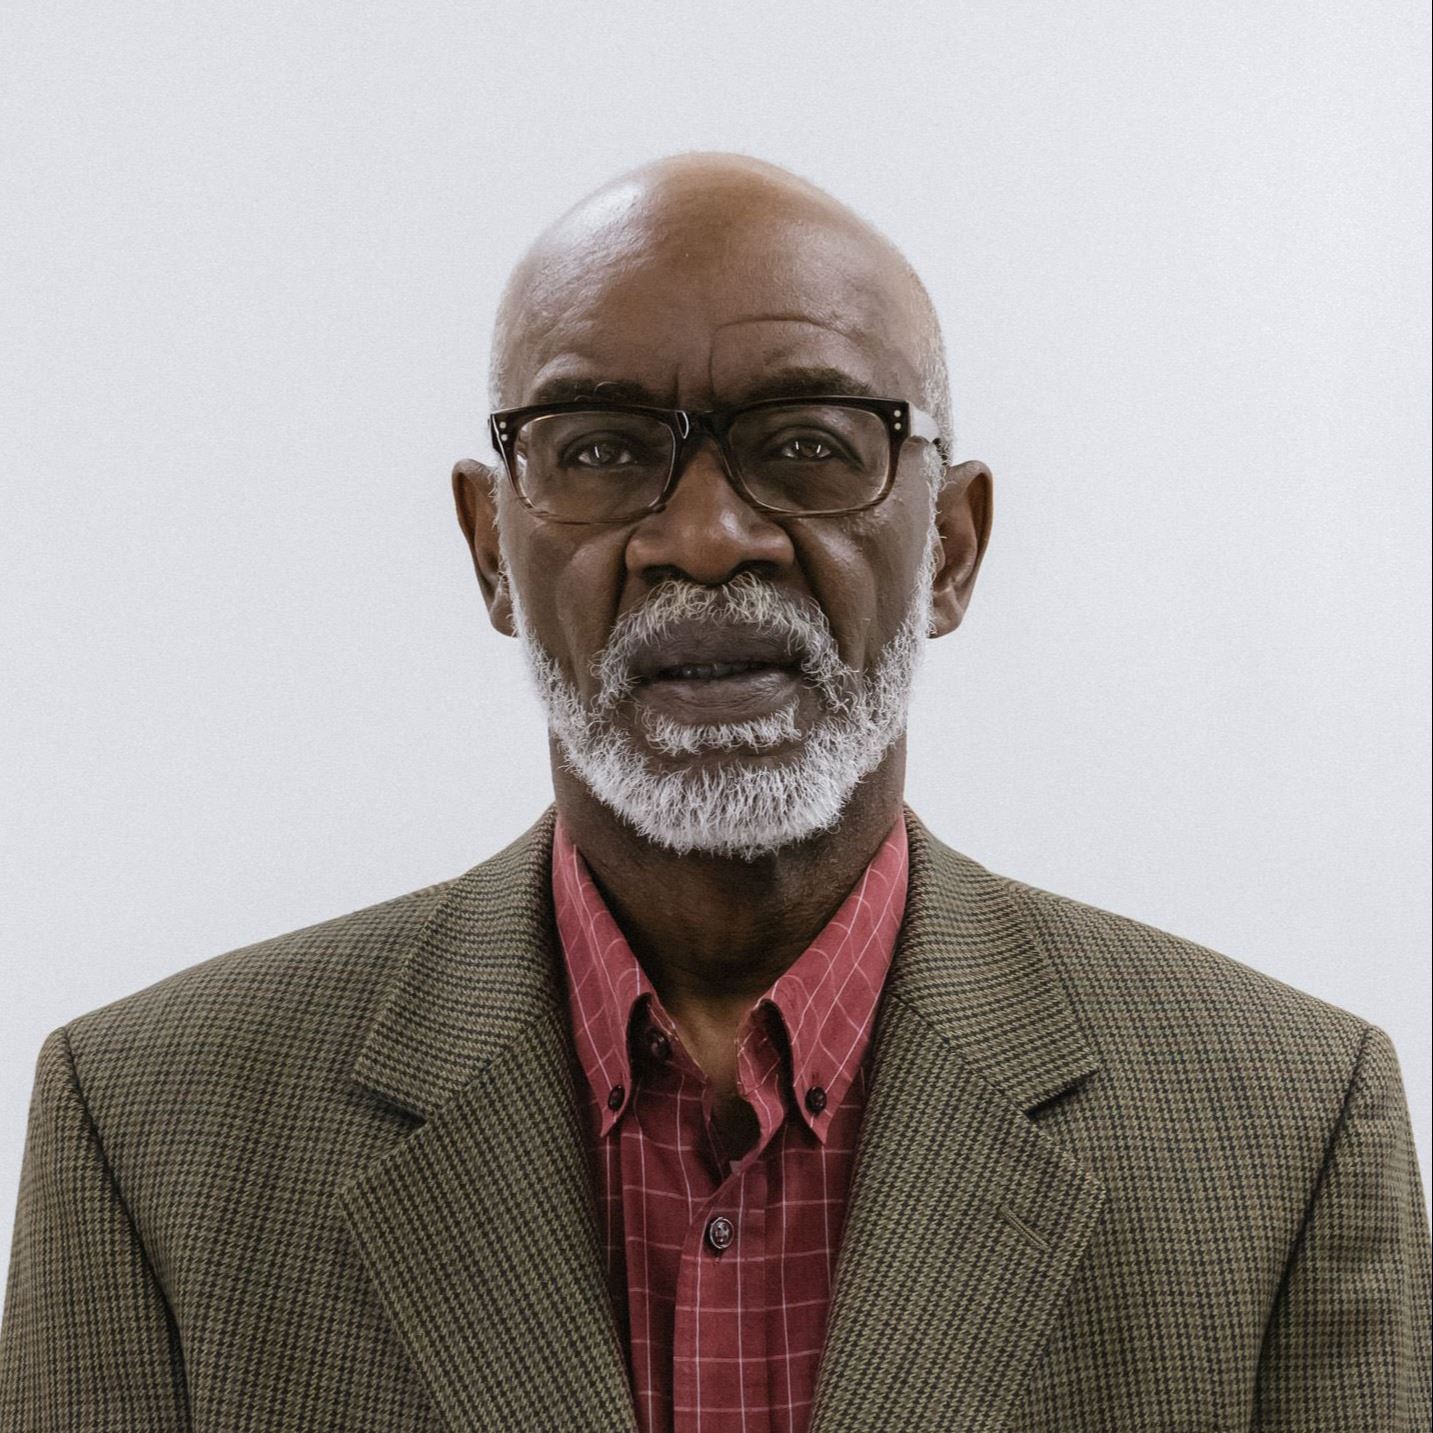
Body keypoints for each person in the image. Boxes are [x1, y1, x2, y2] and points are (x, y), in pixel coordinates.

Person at [1, 153, 1428, 1433]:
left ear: (952, 543)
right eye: (601, 449)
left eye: (806, 441)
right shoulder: (148, 1139)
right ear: (490, 547)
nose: (701, 537)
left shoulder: (1289, 1135)